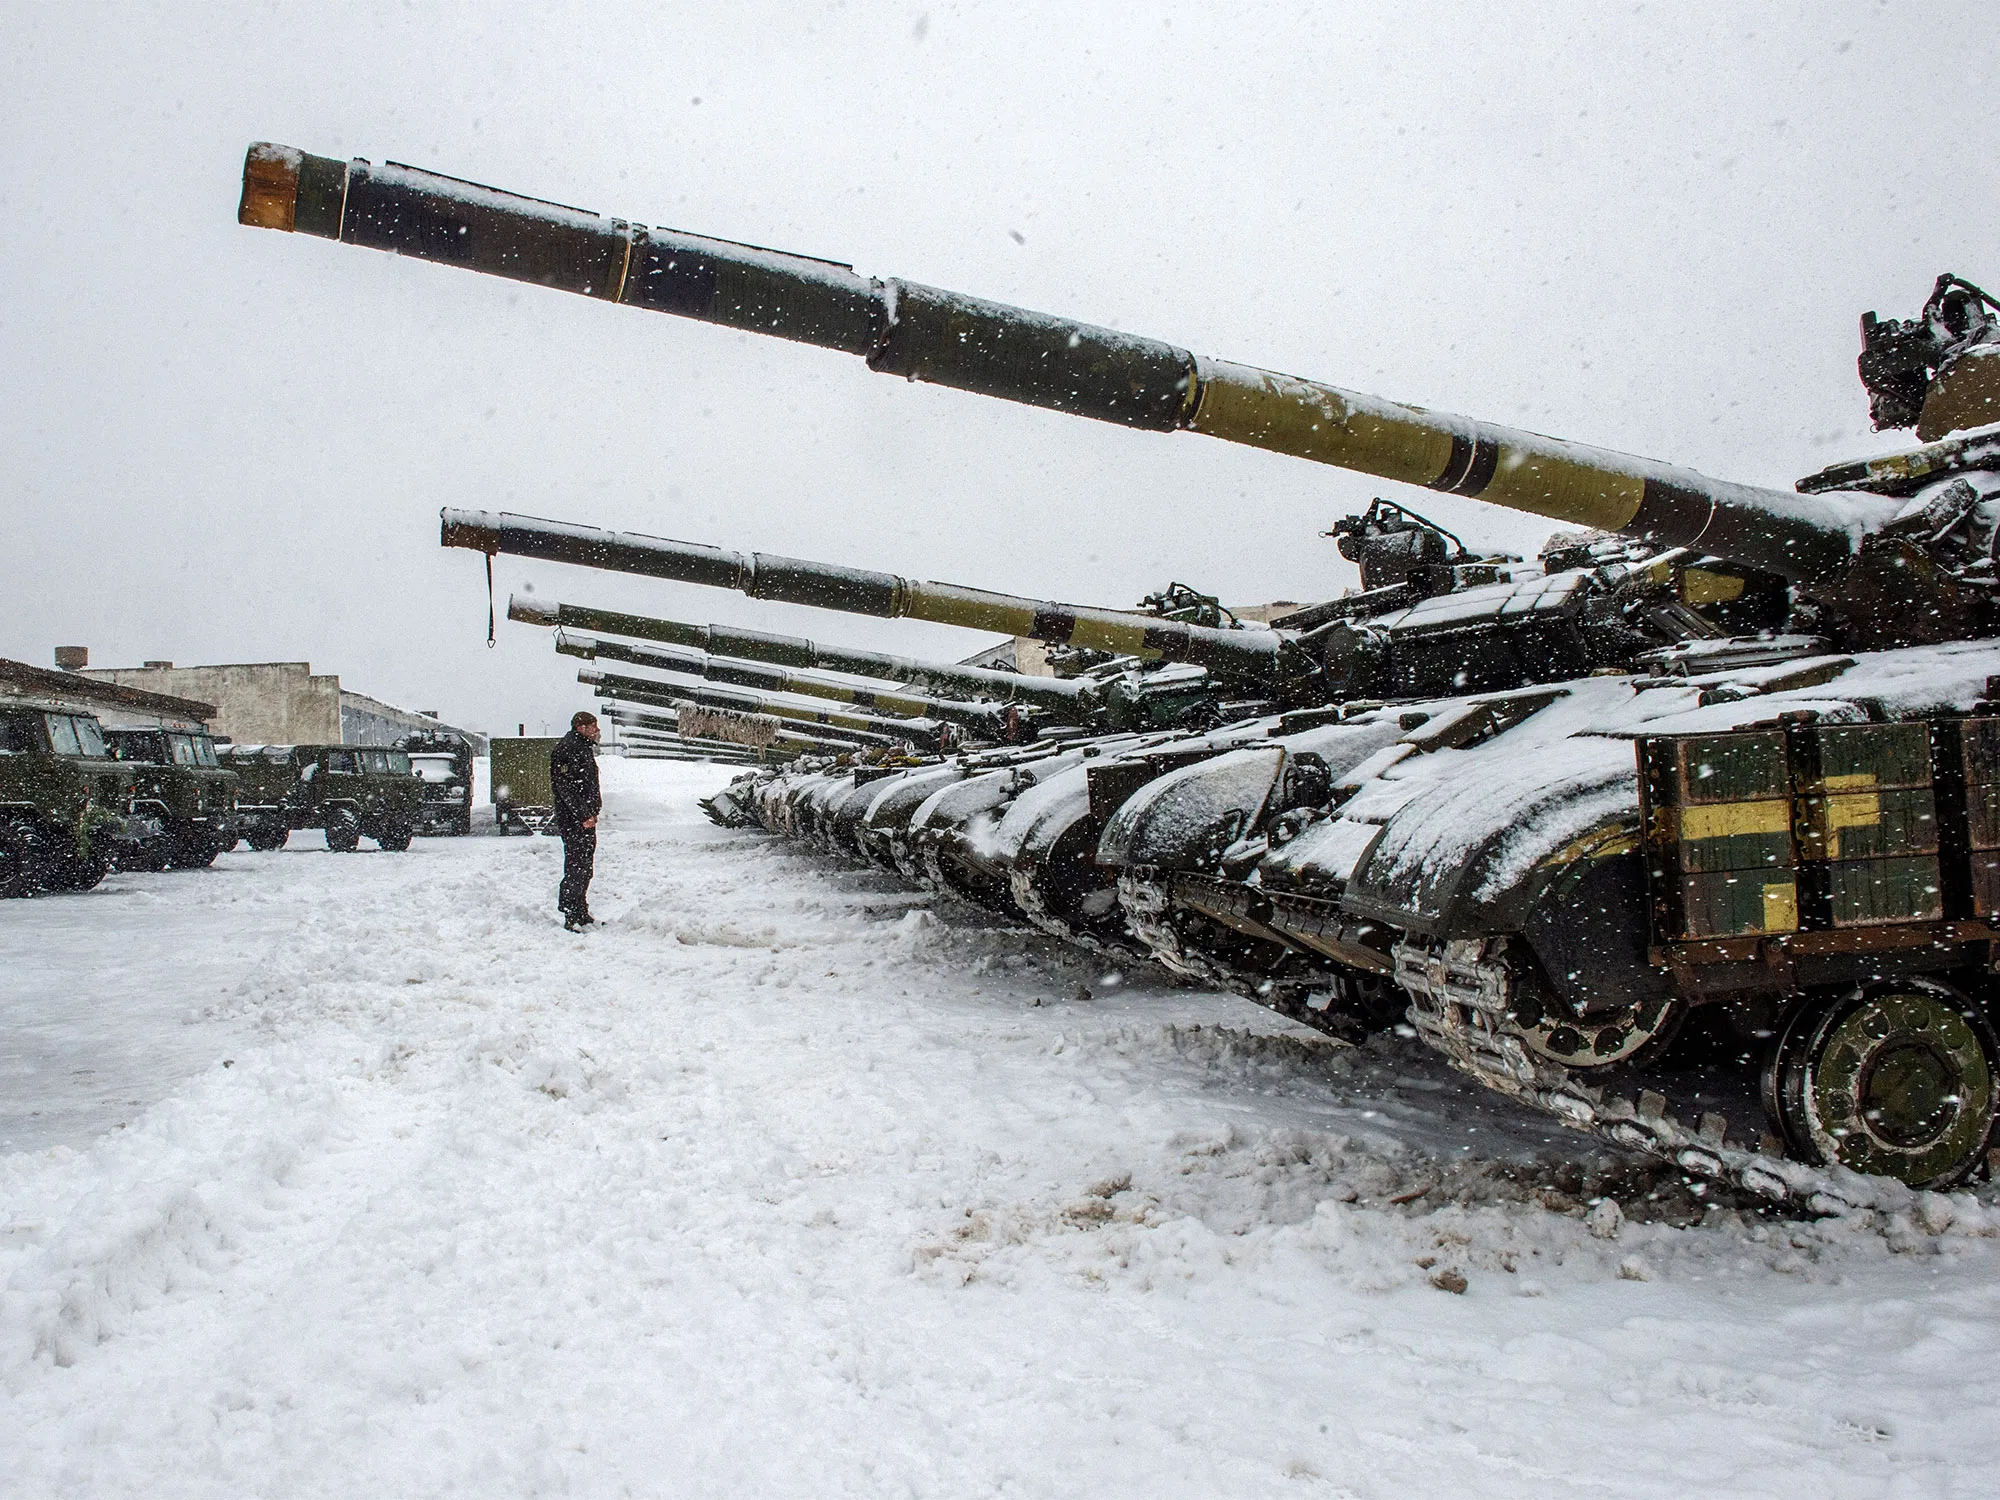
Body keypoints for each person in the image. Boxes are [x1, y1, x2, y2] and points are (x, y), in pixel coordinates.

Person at [550, 711, 602, 931]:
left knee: (584, 865)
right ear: (581, 728)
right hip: (574, 820)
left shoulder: (582, 748)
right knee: (576, 866)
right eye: (593, 726)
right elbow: (566, 789)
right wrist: (583, 815)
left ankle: (581, 910)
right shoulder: (568, 749)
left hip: (584, 818)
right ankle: (571, 914)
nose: (597, 731)